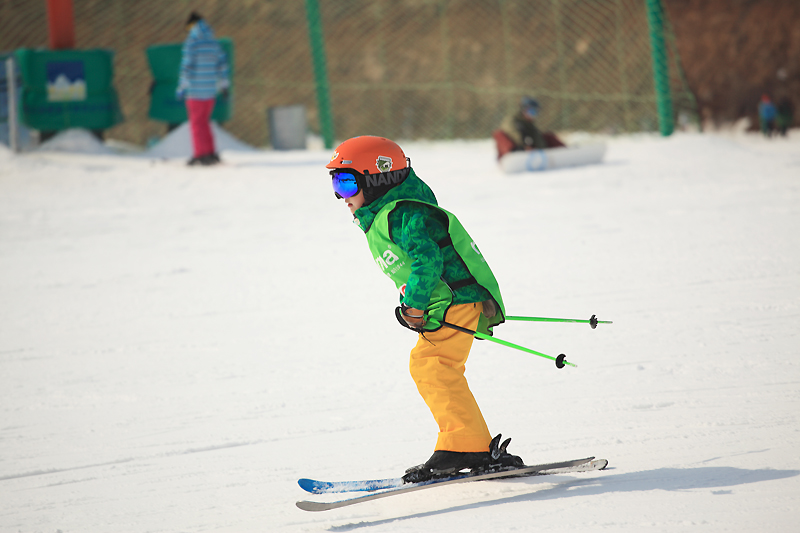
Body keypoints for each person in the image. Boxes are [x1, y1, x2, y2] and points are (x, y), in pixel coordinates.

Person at [327, 135, 524, 483]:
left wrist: (415, 306)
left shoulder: (406, 215)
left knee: (434, 367)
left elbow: (428, 260)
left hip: (455, 301)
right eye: (335, 184)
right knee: (429, 367)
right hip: (445, 304)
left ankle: (466, 446)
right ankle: (465, 442)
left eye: (346, 183)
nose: (341, 195)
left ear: (376, 180)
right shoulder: (388, 215)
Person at [176, 12, 230, 166]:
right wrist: (224, 85)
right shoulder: (214, 42)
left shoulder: (192, 42)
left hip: (195, 91)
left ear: (191, 26)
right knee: (205, 122)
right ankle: (210, 152)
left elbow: (187, 67)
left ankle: (201, 154)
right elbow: (222, 65)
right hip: (210, 91)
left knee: (196, 124)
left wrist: (182, 87)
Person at [493, 96, 565, 159]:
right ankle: (512, 155)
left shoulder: (530, 125)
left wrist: (540, 147)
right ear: (523, 110)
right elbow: (513, 132)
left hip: (531, 151)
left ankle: (565, 152)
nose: (533, 115)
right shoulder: (512, 120)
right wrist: (523, 147)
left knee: (548, 136)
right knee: (499, 134)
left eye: (536, 112)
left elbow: (537, 138)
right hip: (515, 151)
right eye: (531, 111)